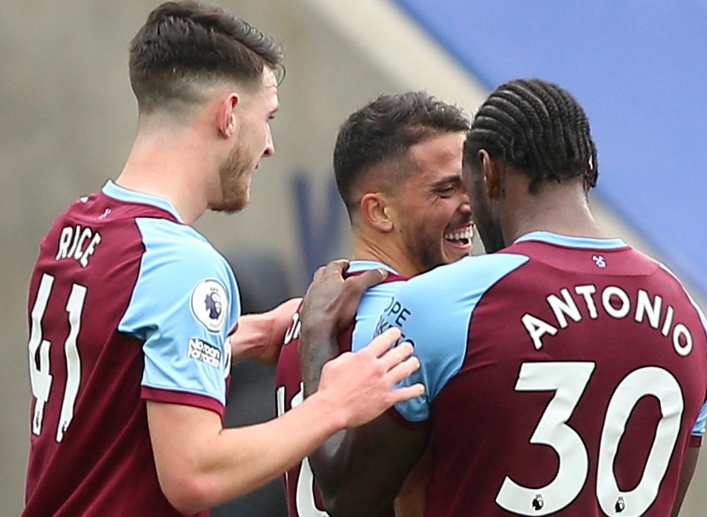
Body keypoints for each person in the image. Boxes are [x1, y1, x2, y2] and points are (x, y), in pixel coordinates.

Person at [22, 2, 423, 516]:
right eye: (268, 118)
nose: (270, 145)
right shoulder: (181, 264)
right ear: (229, 114)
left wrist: (240, 339)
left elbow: (108, 374)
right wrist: (333, 405)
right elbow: (194, 474)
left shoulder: (74, 227)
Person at [299, 78, 707, 516]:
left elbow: (348, 497)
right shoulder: (689, 318)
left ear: (489, 171)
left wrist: (317, 337)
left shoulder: (444, 302)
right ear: (588, 169)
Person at [275, 91, 473, 517]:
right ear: (380, 211)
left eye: (471, 184)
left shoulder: (311, 318)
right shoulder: (416, 319)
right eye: (446, 190)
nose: (470, 206)